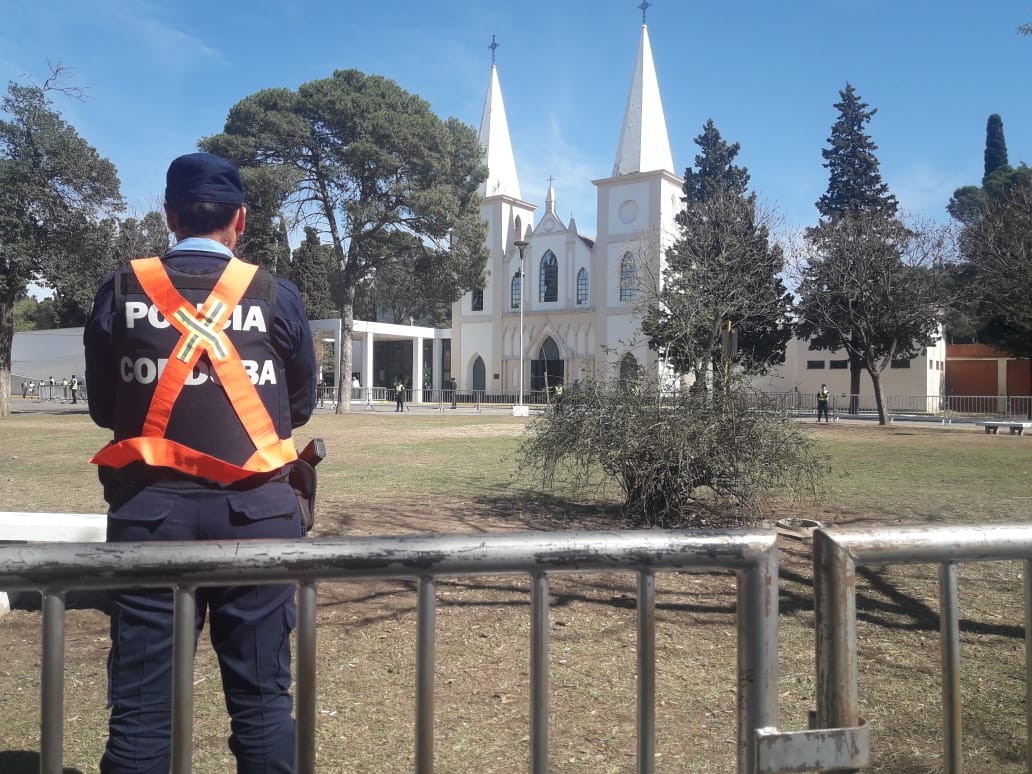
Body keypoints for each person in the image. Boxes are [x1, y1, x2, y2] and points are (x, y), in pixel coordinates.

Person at [84, 152, 317, 774]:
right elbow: (297, 408)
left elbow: (105, 408)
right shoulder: (274, 293)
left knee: (141, 711)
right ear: (240, 220)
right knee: (264, 704)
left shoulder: (122, 289)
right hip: (259, 520)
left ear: (169, 216)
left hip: (149, 517)